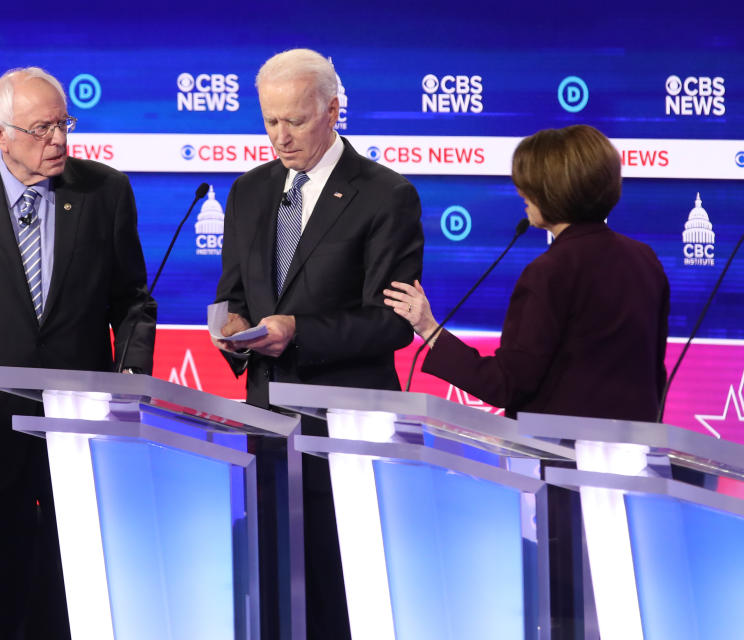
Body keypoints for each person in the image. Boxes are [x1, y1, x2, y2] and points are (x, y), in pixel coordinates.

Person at [384, 124, 669, 639]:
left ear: (551, 188)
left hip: (563, 475)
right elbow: (655, 372)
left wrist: (429, 331)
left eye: (527, 185)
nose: (521, 196)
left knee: (565, 610)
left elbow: (509, 382)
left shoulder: (550, 272)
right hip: (631, 473)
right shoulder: (643, 260)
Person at [0, 67, 156, 640]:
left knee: (70, 571)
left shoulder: (105, 191)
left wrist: (132, 378)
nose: (60, 141)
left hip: (76, 418)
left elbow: (133, 300)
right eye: (42, 129)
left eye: (64, 124)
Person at [214, 48, 424, 639]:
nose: (280, 136)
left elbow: (392, 324)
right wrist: (232, 330)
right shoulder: (250, 191)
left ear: (333, 111)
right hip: (267, 423)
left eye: (296, 121)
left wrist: (297, 332)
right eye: (269, 121)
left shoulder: (385, 195)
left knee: (340, 595)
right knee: (271, 587)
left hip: (347, 428)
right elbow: (232, 294)